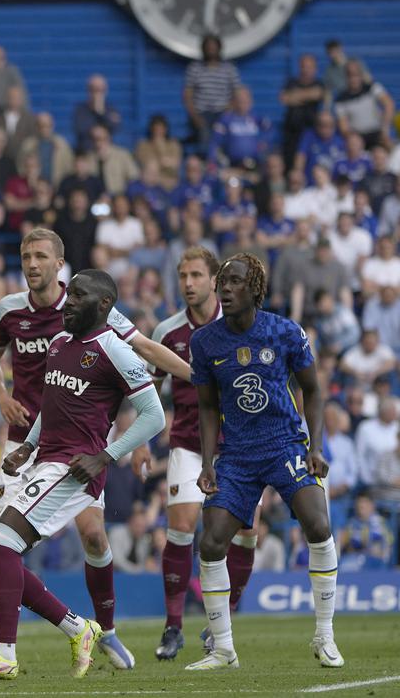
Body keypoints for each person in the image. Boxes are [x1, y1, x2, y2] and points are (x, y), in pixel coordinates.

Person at [0, 229, 191, 671]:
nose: (31, 263)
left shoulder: (93, 317)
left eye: (40, 256)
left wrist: (199, 376)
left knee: (87, 535)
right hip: (31, 441)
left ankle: (92, 633)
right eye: (25, 255)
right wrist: (5, 403)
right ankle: (58, 628)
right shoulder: (18, 316)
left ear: (59, 264)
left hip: (79, 452)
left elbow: (144, 365)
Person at [185, 253, 342, 671]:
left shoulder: (285, 332)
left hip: (284, 445)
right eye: (222, 282)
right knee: (211, 542)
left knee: (319, 525)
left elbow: (312, 388)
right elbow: (205, 406)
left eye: (235, 282)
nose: (225, 289)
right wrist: (207, 463)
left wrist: (315, 447)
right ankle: (223, 649)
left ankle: (325, 636)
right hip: (236, 455)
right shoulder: (204, 341)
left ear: (255, 288)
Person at [143, 248, 259, 660]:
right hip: (189, 443)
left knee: (245, 534)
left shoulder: (240, 324)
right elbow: (149, 387)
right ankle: (173, 625)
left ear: (214, 280)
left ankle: (220, 622)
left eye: (196, 275)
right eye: (182, 275)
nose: (188, 283)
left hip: (242, 448)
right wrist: (142, 440)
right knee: (184, 526)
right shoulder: (167, 331)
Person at [183, 35, 241, 150]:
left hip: (223, 113)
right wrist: (195, 117)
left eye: (213, 47)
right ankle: (207, 163)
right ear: (203, 49)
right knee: (205, 138)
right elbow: (187, 95)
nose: (211, 50)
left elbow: (237, 93)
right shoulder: (194, 68)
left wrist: (227, 114)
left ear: (219, 48)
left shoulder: (229, 69)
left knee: (225, 138)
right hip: (201, 113)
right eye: (208, 47)